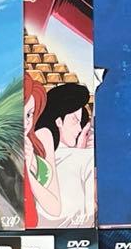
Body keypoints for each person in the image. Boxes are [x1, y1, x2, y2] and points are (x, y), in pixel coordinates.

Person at [33, 83, 95, 228]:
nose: (78, 128)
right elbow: (90, 217)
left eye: (80, 122)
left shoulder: (36, 153)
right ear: (58, 121)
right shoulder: (87, 159)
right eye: (74, 120)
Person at [23, 75, 60, 227]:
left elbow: (55, 208)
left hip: (40, 227)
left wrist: (28, 168)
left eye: (29, 114)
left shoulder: (43, 138)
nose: (25, 122)